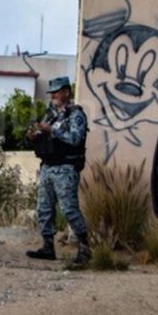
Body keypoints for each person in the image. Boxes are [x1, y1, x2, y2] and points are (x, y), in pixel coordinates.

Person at [25, 76, 92, 264]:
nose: (52, 95)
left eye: (56, 91)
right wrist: (33, 136)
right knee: (44, 208)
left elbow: (76, 138)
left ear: (66, 92)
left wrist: (52, 130)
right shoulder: (50, 114)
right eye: (51, 92)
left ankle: (85, 247)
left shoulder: (75, 115)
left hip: (66, 167)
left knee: (69, 209)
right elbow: (42, 134)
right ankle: (48, 247)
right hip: (48, 166)